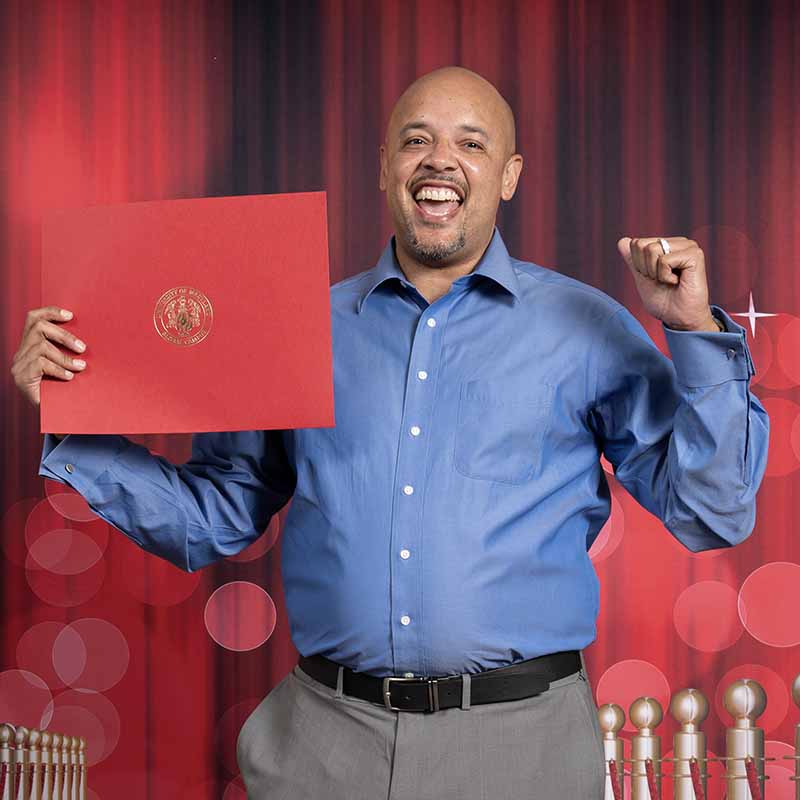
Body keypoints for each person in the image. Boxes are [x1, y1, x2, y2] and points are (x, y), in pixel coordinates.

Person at [12, 66, 769, 799]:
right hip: (322, 749)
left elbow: (711, 510)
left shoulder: (586, 326)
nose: (441, 159)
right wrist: (75, 426)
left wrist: (694, 331)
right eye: (417, 139)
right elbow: (218, 516)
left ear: (509, 175)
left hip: (522, 750)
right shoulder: (294, 328)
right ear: (383, 168)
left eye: (471, 143)